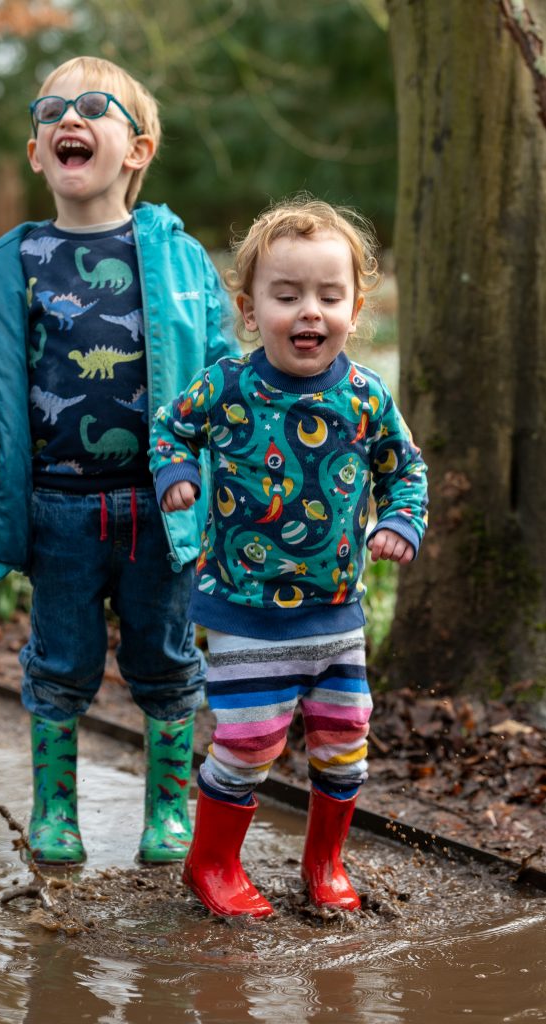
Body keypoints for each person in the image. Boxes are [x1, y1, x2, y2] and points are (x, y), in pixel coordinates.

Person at [0, 56, 237, 867]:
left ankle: (169, 811)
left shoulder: (178, 261)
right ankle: (56, 808)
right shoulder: (8, 266)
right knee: (59, 662)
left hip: (161, 505)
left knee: (168, 659)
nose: (69, 117)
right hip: (57, 510)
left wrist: (224, 482)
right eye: (51, 111)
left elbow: (219, 374)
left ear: (136, 149)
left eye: (94, 106)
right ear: (39, 153)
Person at [149, 197, 428, 917]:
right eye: (287, 295)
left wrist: (400, 517)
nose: (310, 311)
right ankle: (211, 864)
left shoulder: (366, 398)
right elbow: (170, 428)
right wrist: (175, 472)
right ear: (249, 309)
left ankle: (324, 862)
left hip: (335, 610)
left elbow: (406, 469)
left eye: (328, 296)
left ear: (354, 308)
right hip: (243, 606)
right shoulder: (225, 387)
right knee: (248, 744)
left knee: (343, 743)